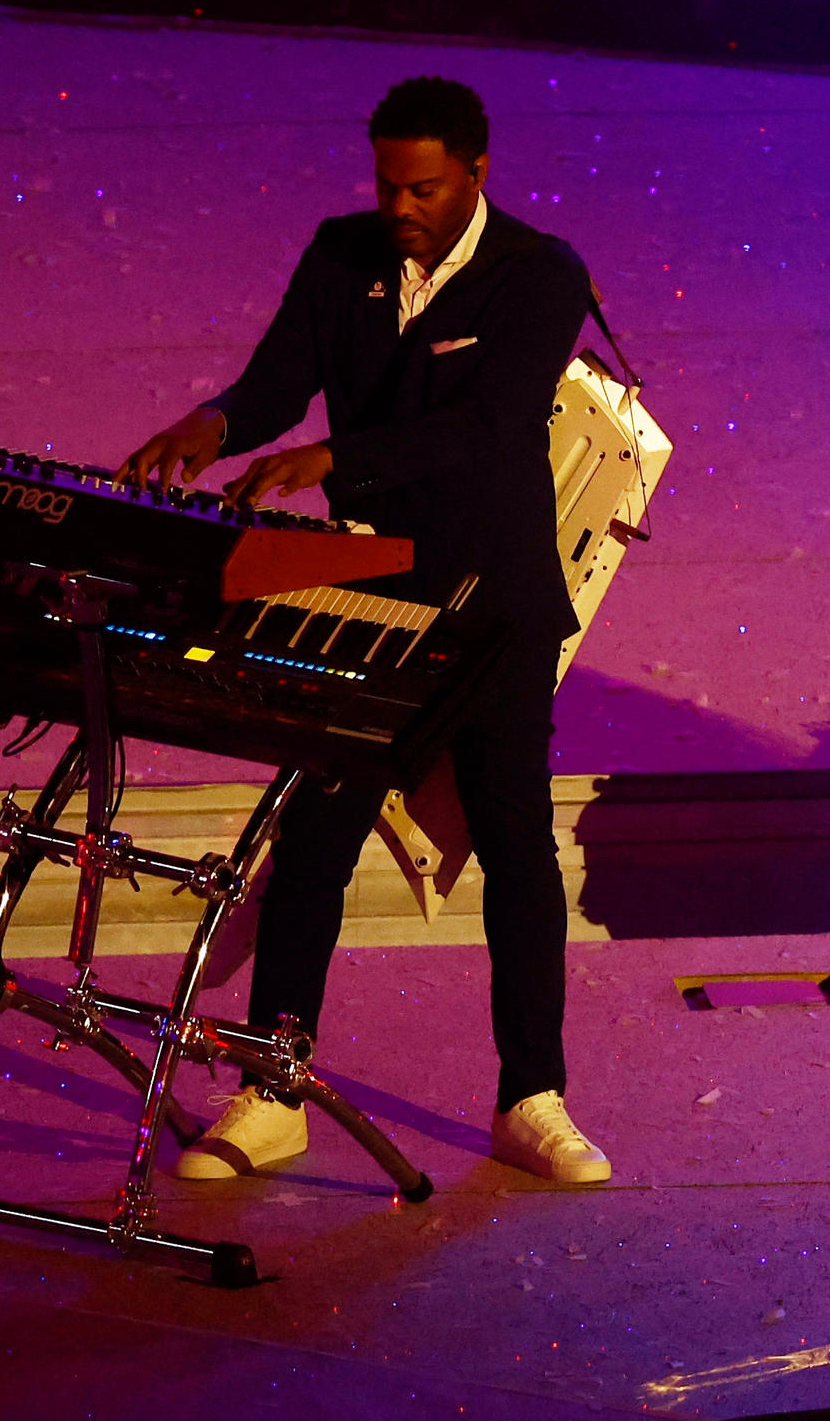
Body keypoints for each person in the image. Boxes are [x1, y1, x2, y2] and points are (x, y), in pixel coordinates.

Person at [120, 77, 610, 1186]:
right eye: (387, 181)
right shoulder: (345, 251)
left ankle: (532, 1095)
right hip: (367, 594)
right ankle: (274, 1084)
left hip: (494, 598)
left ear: (477, 172)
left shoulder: (541, 271)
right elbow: (280, 380)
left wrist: (338, 460)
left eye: (423, 186)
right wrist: (217, 420)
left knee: (516, 844)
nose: (400, 204)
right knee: (316, 838)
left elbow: (487, 427)